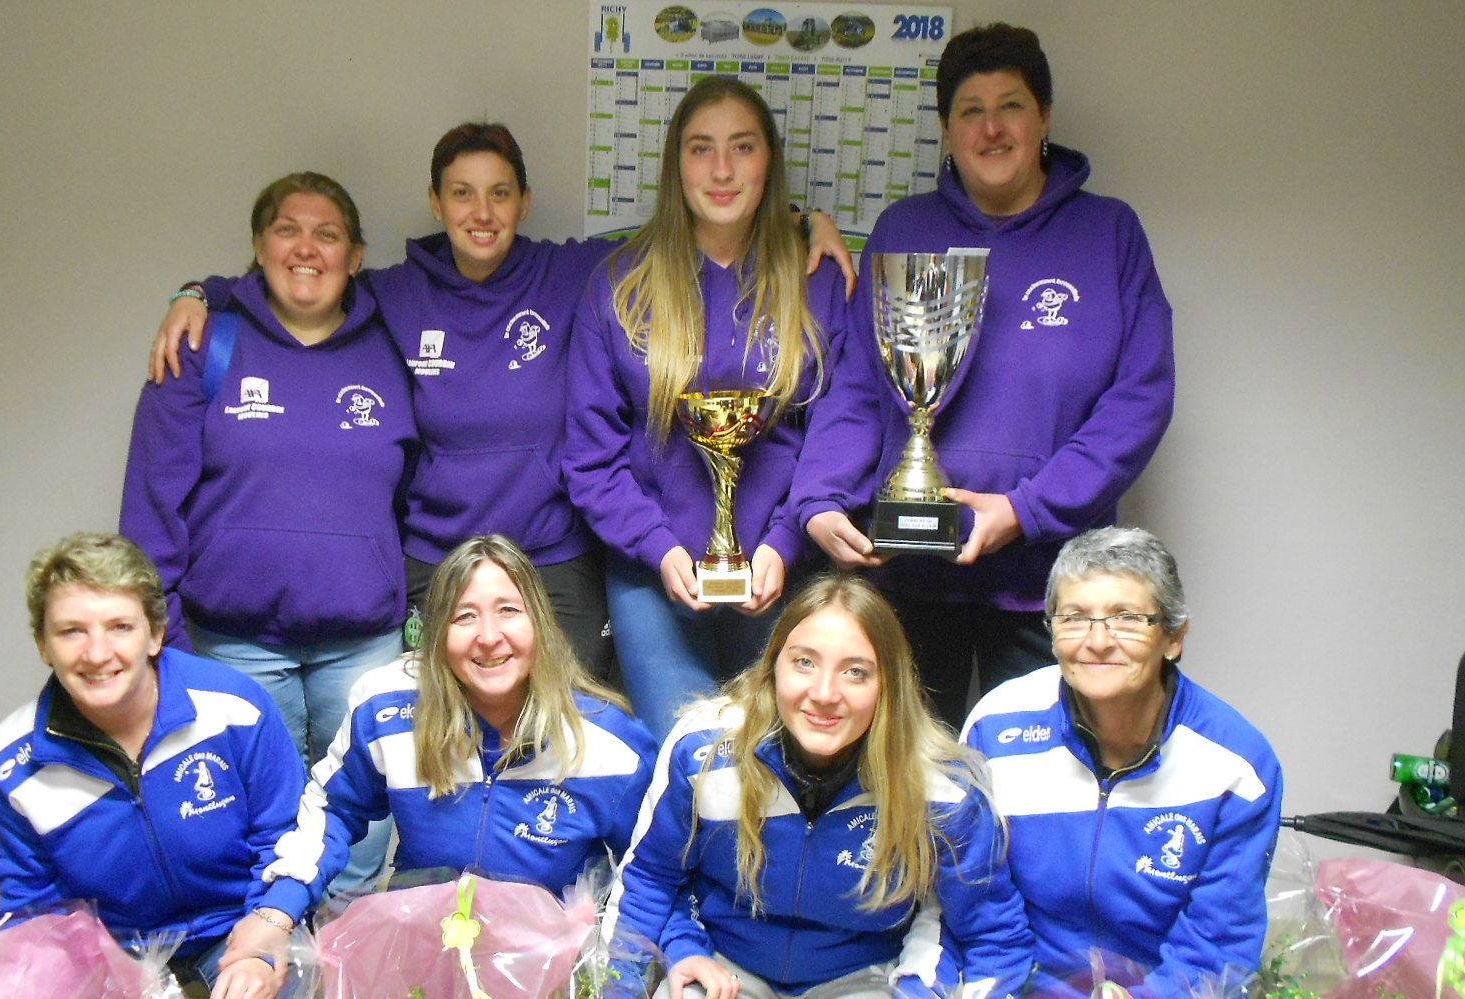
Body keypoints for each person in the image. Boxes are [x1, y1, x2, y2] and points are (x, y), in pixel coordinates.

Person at [148, 127, 857, 683]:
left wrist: (803, 222)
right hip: (436, 560)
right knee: (445, 752)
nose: (480, 213)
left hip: (555, 559)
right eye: (461, 193)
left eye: (498, 193)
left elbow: (697, 225)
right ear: (435, 202)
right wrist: (201, 291)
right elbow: (305, 279)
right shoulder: (393, 293)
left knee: (570, 739)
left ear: (523, 199)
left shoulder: (576, 271)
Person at [609, 573, 1031, 999]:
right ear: (772, 665)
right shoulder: (705, 752)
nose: (824, 693)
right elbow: (649, 878)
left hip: (860, 973)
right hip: (727, 962)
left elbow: (996, 938)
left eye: (856, 672)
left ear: (889, 684)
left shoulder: (940, 790)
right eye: (803, 662)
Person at [820, 23, 1176, 730]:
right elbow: (857, 389)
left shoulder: (1109, 234)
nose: (991, 128)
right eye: (969, 111)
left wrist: (1026, 510)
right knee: (914, 789)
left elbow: (1139, 400)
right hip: (910, 578)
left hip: (1054, 583)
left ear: (1043, 117)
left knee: (1038, 788)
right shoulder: (904, 229)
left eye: (1010, 105)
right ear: (946, 130)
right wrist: (821, 500)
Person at [120, 171, 417, 898]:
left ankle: (343, 966)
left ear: (355, 254)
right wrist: (169, 645)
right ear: (258, 246)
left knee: (365, 828)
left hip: (365, 641)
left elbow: (419, 487)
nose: (306, 249)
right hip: (236, 644)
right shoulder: (201, 346)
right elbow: (149, 508)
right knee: (259, 820)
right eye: (288, 229)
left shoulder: (394, 344)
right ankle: (275, 970)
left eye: (328, 234)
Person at [564, 75, 877, 738]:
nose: (723, 169)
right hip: (656, 577)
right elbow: (591, 457)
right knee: (687, 763)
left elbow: (841, 424)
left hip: (781, 571)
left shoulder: (817, 280)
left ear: (770, 161)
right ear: (676, 163)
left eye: (743, 147)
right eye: (702, 149)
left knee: (777, 767)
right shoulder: (620, 285)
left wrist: (786, 541)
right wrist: (658, 548)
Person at [0, 533, 313, 999]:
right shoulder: (12, 768)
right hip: (109, 955)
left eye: (119, 627)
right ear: (42, 645)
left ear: (155, 633)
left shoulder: (233, 708)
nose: (97, 653)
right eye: (71, 631)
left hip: (235, 924)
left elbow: (290, 836)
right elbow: (22, 918)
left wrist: (265, 940)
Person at [962, 527, 1283, 999]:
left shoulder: (1237, 764)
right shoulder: (995, 727)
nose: (1097, 642)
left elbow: (1217, 942)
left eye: (1127, 619)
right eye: (1074, 618)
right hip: (1027, 998)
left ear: (1174, 638)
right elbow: (975, 903)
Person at [256, 535, 657, 909]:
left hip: (554, 962)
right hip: (424, 946)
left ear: (540, 625)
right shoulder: (387, 708)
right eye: (464, 616)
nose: (488, 636)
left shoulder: (610, 742)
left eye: (509, 611)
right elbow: (333, 810)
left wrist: (617, 976)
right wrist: (278, 909)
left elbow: (652, 872)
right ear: (437, 637)